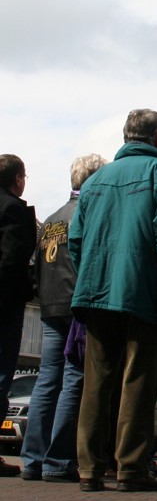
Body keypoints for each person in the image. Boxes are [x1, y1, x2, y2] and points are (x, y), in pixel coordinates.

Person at [69, 109, 157, 493]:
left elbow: (75, 242)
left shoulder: (96, 180)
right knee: (138, 380)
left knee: (96, 382)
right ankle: (131, 467)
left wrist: (91, 276)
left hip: (96, 292)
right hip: (143, 292)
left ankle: (89, 469)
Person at [20, 154, 107, 483]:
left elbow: (37, 266)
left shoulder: (54, 218)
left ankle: (32, 459)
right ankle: (58, 461)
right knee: (74, 379)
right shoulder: (88, 214)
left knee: (46, 381)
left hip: (50, 305)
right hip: (75, 305)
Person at [0, 154, 37, 478]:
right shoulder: (11, 209)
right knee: (1, 376)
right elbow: (11, 260)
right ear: (17, 179)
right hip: (4, 305)